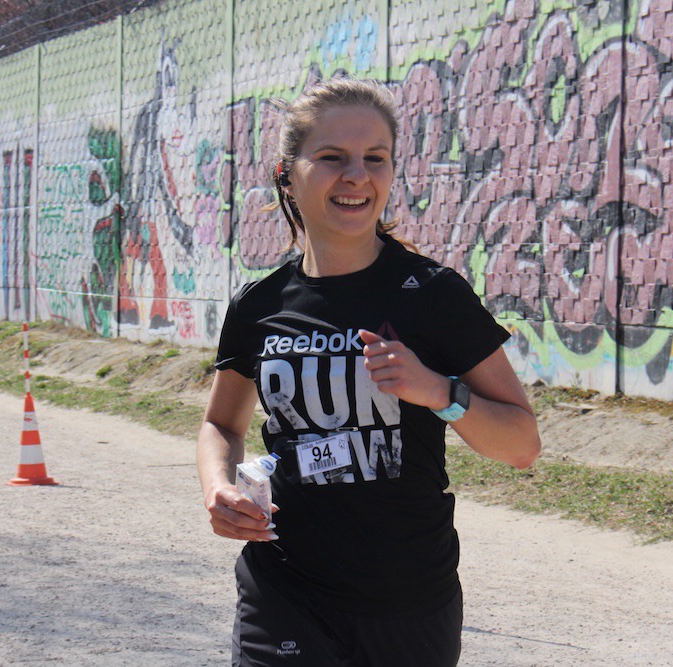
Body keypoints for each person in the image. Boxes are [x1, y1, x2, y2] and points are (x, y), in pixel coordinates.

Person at [197, 77, 541, 667]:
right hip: (284, 589)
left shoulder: (433, 295)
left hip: (408, 601)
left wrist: (437, 390)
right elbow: (221, 425)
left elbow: (522, 445)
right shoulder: (258, 306)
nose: (357, 175)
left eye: (375, 159)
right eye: (332, 158)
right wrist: (218, 489)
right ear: (287, 175)